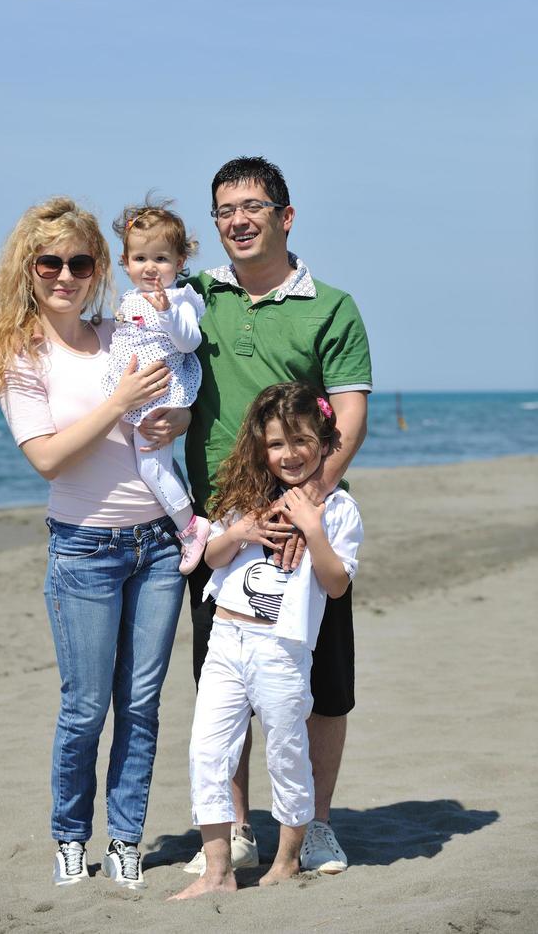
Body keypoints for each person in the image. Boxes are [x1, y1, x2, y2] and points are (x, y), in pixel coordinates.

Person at [0, 196, 187, 890]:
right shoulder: (19, 353)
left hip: (157, 545)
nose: (65, 274)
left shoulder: (119, 334)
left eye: (80, 261)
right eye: (51, 262)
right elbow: (48, 458)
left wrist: (176, 417)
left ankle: (125, 837)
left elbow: (174, 389)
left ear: (99, 270)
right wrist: (118, 404)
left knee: (143, 704)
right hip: (84, 553)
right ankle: (71, 835)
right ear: (28, 270)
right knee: (86, 708)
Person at [179, 156, 372, 876]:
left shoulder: (333, 305)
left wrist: (305, 508)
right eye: (225, 209)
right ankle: (237, 828)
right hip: (225, 530)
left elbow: (348, 418)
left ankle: (315, 826)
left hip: (308, 523)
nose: (238, 219)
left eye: (253, 205)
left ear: (285, 217)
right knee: (224, 682)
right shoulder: (194, 298)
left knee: (322, 685)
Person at [172, 383, 363, 900]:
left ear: (325, 443)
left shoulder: (338, 510)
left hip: (282, 649)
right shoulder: (244, 501)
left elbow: (336, 583)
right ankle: (218, 871)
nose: (289, 454)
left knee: (286, 751)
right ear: (261, 448)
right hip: (225, 643)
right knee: (207, 749)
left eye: (302, 441)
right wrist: (243, 532)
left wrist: (311, 528)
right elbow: (211, 558)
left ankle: (285, 860)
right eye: (277, 444)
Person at [103, 199, 209, 574]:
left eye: (161, 259)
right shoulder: (131, 297)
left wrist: (167, 312)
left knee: (151, 468)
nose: (151, 268)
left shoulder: (179, 299)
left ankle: (191, 527)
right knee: (151, 464)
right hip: (138, 394)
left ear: (180, 262)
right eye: (141, 258)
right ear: (126, 262)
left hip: (160, 395)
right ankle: (184, 518)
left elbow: (188, 342)